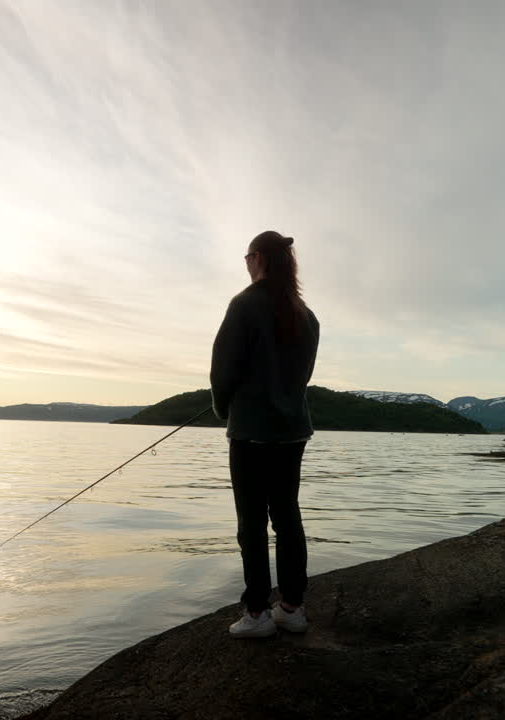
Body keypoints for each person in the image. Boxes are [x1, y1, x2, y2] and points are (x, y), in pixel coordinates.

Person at [210, 230, 320, 638]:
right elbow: (300, 377)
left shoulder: (244, 305)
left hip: (251, 435)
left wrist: (226, 410)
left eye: (246, 256)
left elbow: (223, 372)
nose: (246, 263)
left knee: (251, 524)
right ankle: (291, 608)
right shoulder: (307, 315)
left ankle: (256, 613)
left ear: (257, 258)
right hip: (293, 433)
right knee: (287, 516)